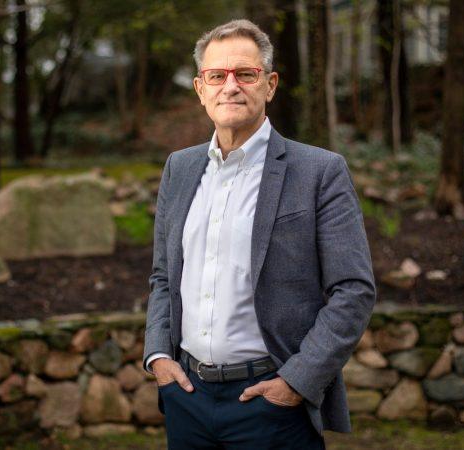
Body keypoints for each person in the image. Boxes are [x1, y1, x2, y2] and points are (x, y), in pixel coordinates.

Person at [142, 19, 376, 449]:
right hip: (187, 398)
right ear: (200, 89)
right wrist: (158, 357)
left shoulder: (319, 172)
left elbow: (353, 290)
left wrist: (296, 382)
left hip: (272, 404)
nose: (230, 86)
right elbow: (163, 276)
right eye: (217, 76)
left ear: (269, 85)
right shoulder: (180, 168)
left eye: (245, 74)